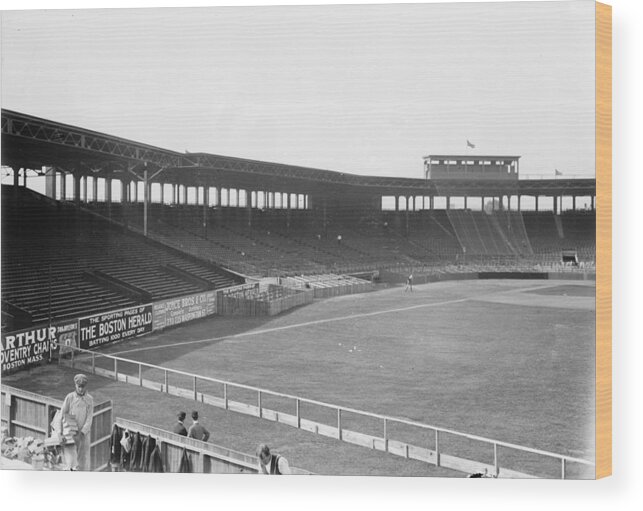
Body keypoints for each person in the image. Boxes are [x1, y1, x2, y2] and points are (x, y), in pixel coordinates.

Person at [59, 373, 93, 470]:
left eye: (83, 387)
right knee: (70, 461)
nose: (81, 389)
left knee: (83, 461)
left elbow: (89, 418)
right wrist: (60, 433)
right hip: (71, 434)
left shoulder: (89, 399)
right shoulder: (70, 397)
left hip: (83, 436)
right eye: (79, 387)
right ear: (75, 385)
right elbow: (62, 415)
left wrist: (82, 432)